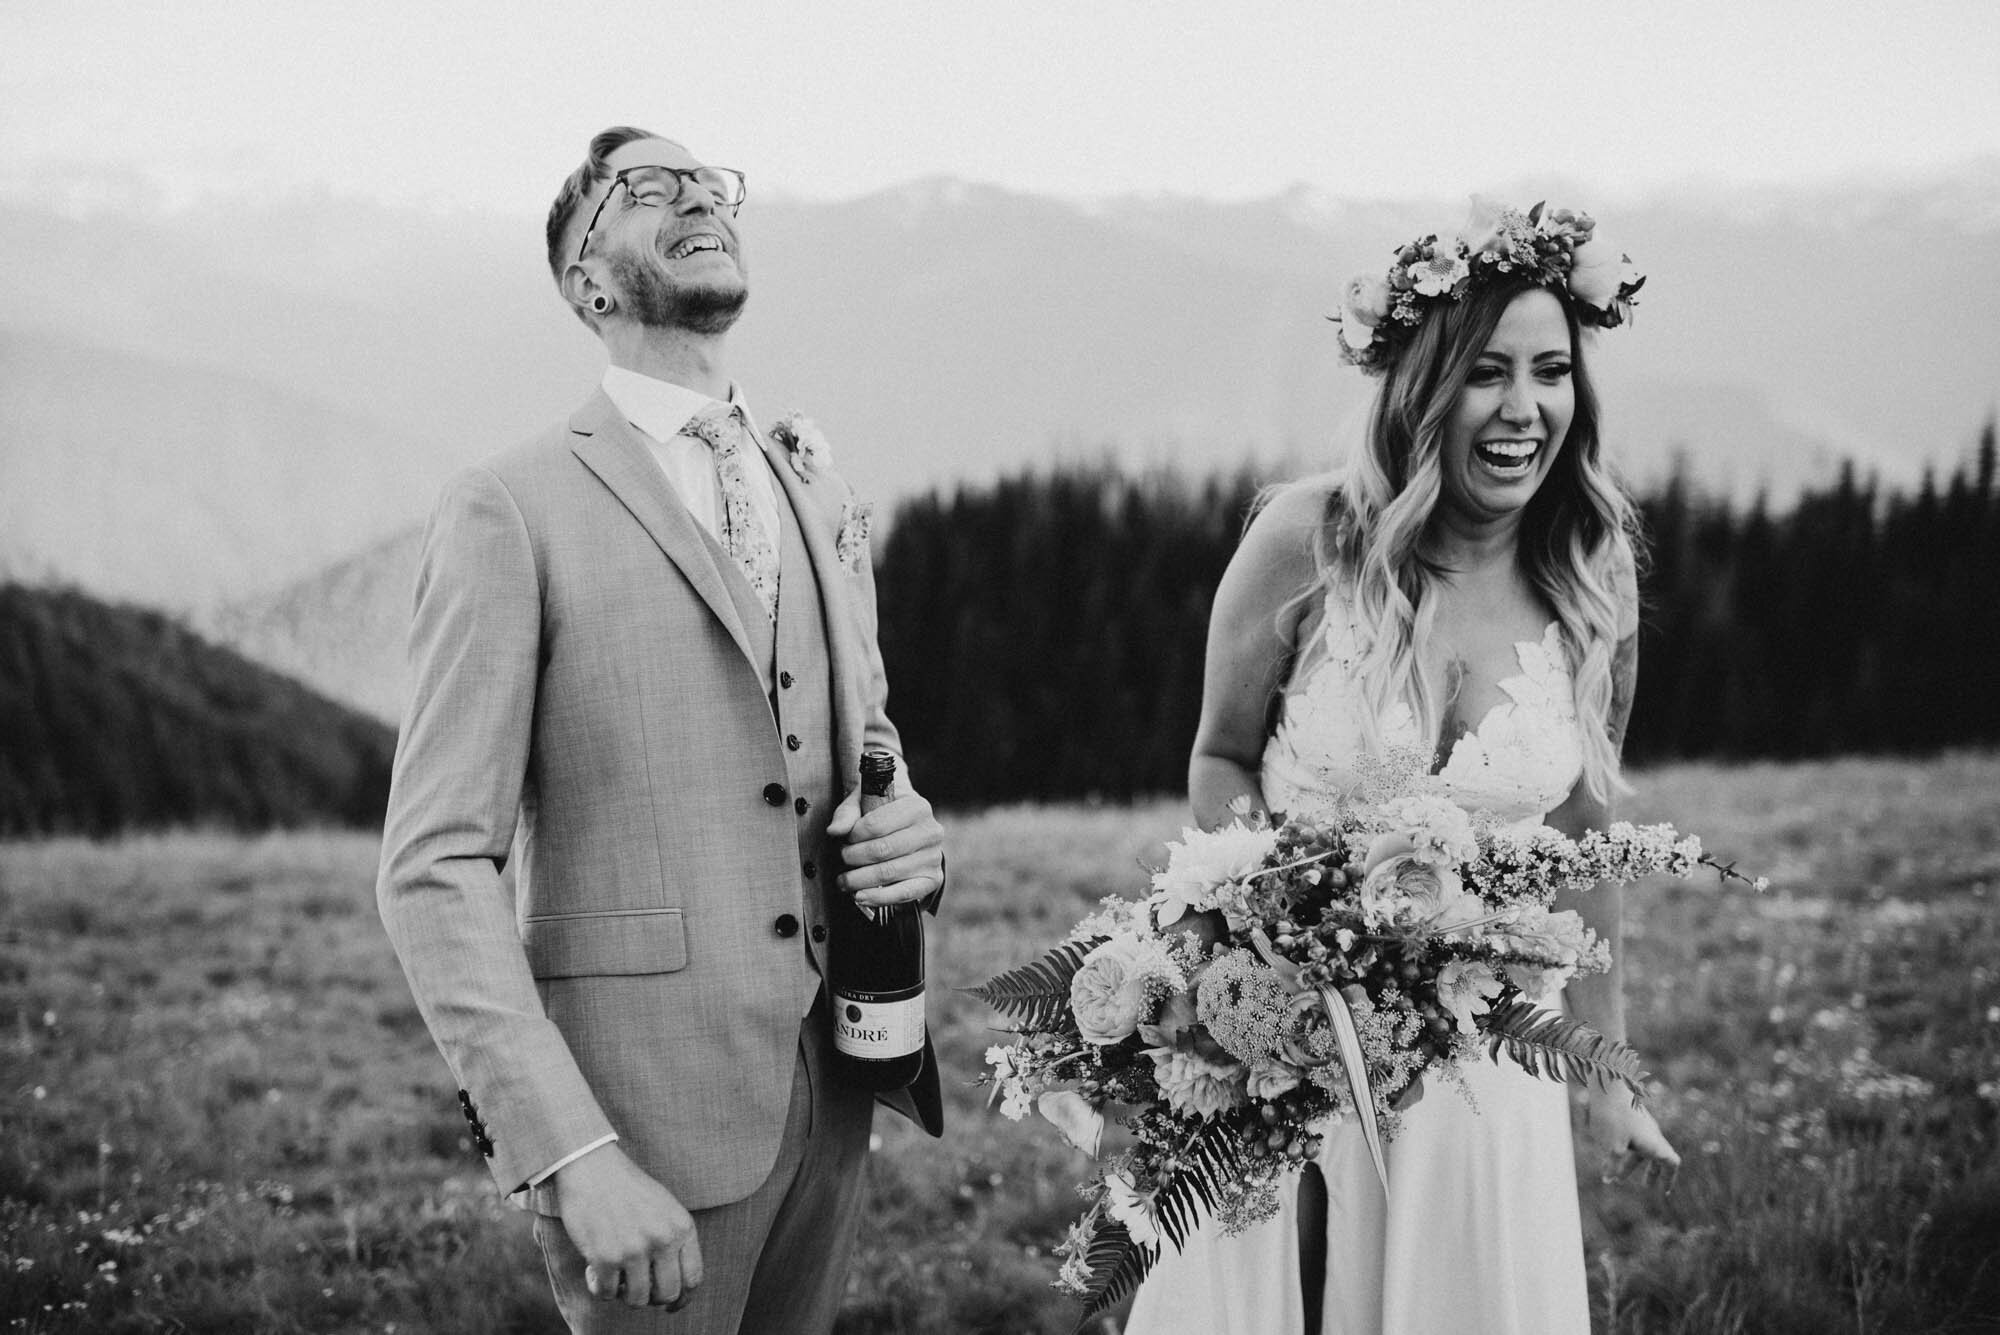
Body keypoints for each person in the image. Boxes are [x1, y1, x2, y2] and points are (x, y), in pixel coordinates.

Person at [375, 125, 945, 1335]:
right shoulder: (508, 505)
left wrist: (909, 837)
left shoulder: (816, 483)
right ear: (587, 282)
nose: (693, 193)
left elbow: (864, 747)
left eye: (706, 180)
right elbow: (433, 866)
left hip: (838, 1082)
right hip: (639, 1127)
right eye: (642, 188)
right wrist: (569, 1154)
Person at [1123, 200, 1678, 1334]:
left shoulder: (1590, 569)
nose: (1524, 409)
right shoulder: (1303, 536)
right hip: (1285, 1045)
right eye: (1486, 372)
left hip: (1489, 1067)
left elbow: (1582, 825)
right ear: (1422, 388)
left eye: (1550, 371)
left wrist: (1604, 1073)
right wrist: (1263, 941)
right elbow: (1221, 754)